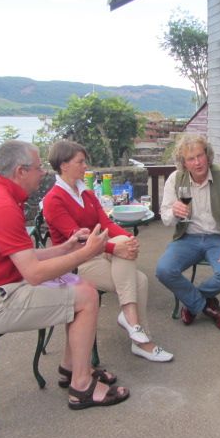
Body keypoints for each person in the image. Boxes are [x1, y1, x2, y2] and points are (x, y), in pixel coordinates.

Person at [0, 140, 130, 410]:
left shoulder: (3, 199)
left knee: (79, 284)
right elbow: (34, 273)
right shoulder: (2, 207)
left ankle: (71, 367)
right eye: (37, 167)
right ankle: (82, 386)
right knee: (86, 297)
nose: (43, 172)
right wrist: (86, 252)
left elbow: (25, 256)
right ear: (20, 171)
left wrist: (66, 247)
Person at [43, 140, 173, 362]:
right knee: (139, 281)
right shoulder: (53, 200)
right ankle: (140, 338)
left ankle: (132, 324)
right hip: (75, 262)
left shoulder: (85, 192)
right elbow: (79, 239)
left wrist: (128, 239)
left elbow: (105, 223)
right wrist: (115, 247)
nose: (85, 166)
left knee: (123, 241)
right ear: (64, 165)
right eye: (80, 162)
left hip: (97, 253)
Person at [155, 134, 220, 331]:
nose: (197, 162)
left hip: (219, 238)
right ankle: (207, 306)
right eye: (191, 159)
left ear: (207, 155)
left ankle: (193, 301)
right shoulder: (176, 179)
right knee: (164, 270)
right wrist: (174, 212)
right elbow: (166, 218)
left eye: (200, 155)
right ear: (184, 162)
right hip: (187, 238)